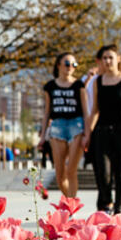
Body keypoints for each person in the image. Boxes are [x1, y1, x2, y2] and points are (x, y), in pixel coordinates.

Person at [83, 45, 121, 214]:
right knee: (103, 172)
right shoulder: (97, 82)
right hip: (102, 131)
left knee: (120, 173)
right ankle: (106, 204)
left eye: (111, 57)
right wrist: (88, 134)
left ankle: (118, 209)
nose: (107, 61)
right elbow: (94, 111)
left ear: (118, 59)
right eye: (104, 58)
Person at [37, 53, 88, 199]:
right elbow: (46, 112)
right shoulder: (50, 86)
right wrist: (42, 137)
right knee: (60, 174)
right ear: (58, 65)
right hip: (57, 126)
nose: (70, 67)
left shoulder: (79, 85)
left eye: (74, 64)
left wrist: (87, 133)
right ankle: (70, 199)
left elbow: (85, 111)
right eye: (67, 63)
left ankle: (72, 206)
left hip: (76, 125)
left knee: (71, 170)